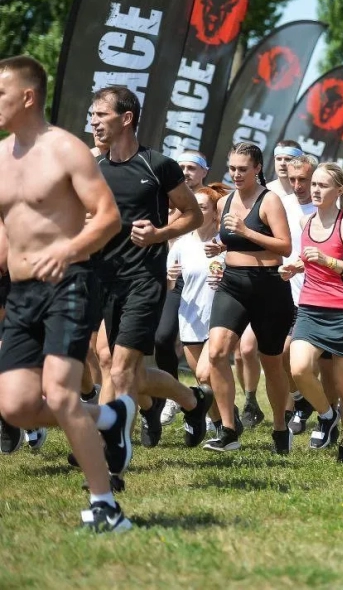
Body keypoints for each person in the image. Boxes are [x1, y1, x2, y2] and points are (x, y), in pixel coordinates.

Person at [0, 55, 135, 531]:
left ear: (28, 97)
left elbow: (108, 216)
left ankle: (106, 507)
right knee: (15, 405)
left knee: (58, 394)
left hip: (68, 282)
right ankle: (109, 418)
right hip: (20, 292)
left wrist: (69, 250)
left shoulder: (65, 149)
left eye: (1, 93)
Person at [90, 86, 213, 450]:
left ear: (126, 119)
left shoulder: (157, 165)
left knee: (122, 369)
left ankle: (109, 449)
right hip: (104, 280)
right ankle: (193, 400)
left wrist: (159, 233)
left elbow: (191, 215)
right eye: (92, 115)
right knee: (120, 366)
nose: (93, 122)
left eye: (101, 115)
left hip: (144, 279)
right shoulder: (94, 167)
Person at [203, 142, 294, 453]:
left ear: (257, 169)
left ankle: (281, 428)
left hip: (268, 285)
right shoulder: (224, 201)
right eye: (232, 168)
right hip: (232, 284)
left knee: (271, 362)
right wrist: (221, 247)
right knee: (216, 353)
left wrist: (244, 230)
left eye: (243, 169)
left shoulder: (270, 201)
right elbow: (232, 239)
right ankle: (229, 429)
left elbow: (284, 247)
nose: (237, 174)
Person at [285, 163, 343, 462]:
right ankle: (326, 414)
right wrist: (295, 267)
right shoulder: (304, 222)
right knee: (298, 369)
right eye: (314, 184)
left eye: (323, 185)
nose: (316, 189)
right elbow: (307, 259)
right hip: (309, 308)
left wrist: (328, 261)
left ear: (339, 190)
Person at [155, 150, 211, 427]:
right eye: (181, 167)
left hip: (207, 282)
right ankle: (172, 396)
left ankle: (217, 407)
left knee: (206, 349)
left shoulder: (212, 201)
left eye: (192, 167)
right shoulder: (167, 202)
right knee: (163, 338)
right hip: (175, 281)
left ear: (204, 172)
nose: (187, 172)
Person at [167, 185, 227, 434]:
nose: (195, 212)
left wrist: (226, 276)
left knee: (204, 375)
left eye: (202, 207)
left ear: (214, 213)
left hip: (219, 317)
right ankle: (219, 422)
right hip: (190, 317)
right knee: (204, 378)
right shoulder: (181, 245)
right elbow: (171, 286)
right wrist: (169, 277)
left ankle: (226, 424)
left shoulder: (225, 245)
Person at [276, 154, 321, 433]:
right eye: (292, 179)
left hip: (321, 295)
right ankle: (300, 400)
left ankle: (326, 413)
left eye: (303, 179)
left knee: (317, 363)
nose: (297, 185)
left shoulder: (328, 207)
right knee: (283, 355)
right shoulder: (281, 205)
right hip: (287, 293)